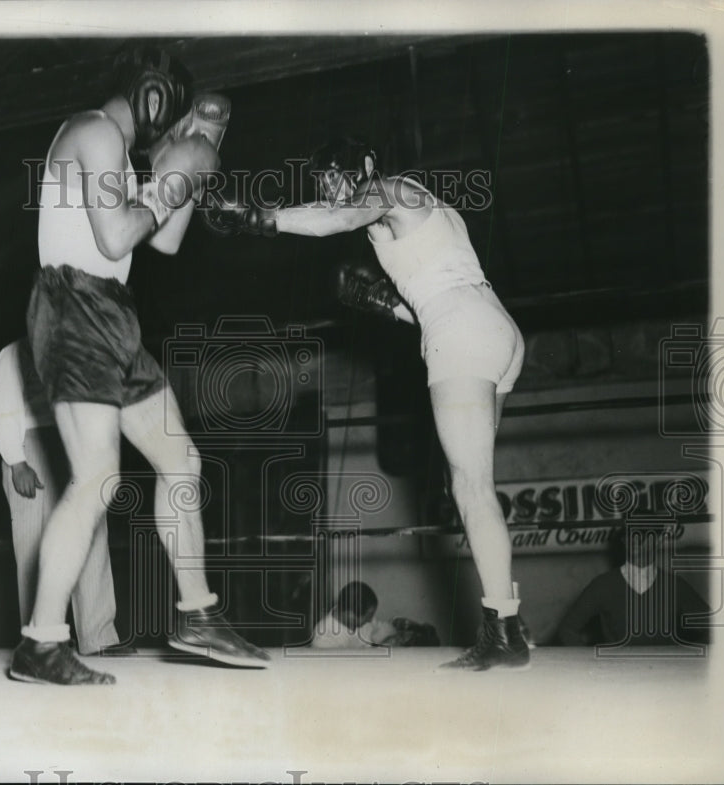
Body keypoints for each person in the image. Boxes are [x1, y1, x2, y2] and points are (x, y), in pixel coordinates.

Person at [206, 138, 528, 670]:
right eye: (324, 179)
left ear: (369, 165)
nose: (333, 186)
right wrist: (385, 306)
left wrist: (259, 219)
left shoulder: (389, 189)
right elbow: (435, 291)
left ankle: (504, 633)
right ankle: (509, 617)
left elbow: (330, 222)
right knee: (469, 485)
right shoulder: (418, 214)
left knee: (471, 488)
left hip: (463, 332)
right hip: (496, 330)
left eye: (338, 172)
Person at [9, 45, 269, 685]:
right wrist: (174, 172)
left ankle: (198, 614)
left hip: (113, 312)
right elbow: (117, 236)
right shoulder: (92, 130)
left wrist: (191, 168)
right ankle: (41, 642)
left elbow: (168, 241)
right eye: (181, 113)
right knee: (97, 478)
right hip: (74, 304)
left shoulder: (122, 157)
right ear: (156, 95)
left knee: (181, 460)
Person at [0, 339, 132, 656]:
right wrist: (16, 461)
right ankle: (42, 640)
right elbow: (3, 408)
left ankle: (99, 637)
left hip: (73, 442)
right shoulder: (14, 351)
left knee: (91, 533)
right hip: (30, 443)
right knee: (33, 545)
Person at [556, 528, 710, 646]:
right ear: (624, 540)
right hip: (619, 680)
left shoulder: (674, 585)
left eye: (643, 532)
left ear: (657, 540)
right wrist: (593, 664)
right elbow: (567, 629)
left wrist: (686, 661)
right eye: (630, 532)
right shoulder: (603, 585)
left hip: (665, 680)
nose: (635, 539)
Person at [311, 581, 439, 649]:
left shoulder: (360, 619)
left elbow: (379, 629)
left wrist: (396, 632)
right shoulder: (324, 639)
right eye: (368, 616)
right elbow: (345, 675)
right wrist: (380, 648)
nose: (371, 619)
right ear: (350, 615)